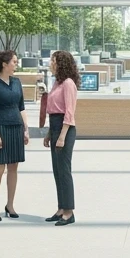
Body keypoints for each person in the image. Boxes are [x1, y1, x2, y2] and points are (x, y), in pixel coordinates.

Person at [0, 50, 29, 220]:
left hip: (16, 127)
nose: (16, 65)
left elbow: (21, 107)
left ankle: (10, 205)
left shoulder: (17, 82)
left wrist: (26, 129)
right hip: (1, 128)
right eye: (14, 62)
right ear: (5, 64)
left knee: (13, 167)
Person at [42, 50, 79, 226]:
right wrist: (50, 133)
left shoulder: (68, 84)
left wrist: (62, 136)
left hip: (65, 128)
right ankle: (61, 208)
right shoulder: (57, 82)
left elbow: (69, 112)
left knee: (64, 171)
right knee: (57, 171)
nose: (50, 63)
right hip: (55, 126)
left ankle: (69, 212)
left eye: (53, 61)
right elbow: (53, 110)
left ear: (60, 63)